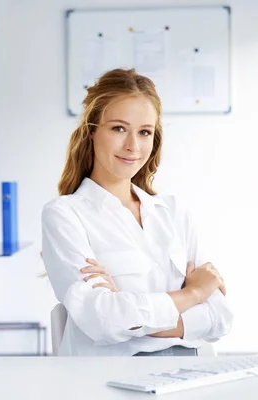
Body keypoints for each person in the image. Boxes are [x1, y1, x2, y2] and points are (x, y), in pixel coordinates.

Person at [41, 68, 233, 356]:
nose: (132, 146)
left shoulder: (173, 212)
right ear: (92, 131)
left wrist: (131, 315)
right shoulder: (65, 214)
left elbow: (221, 317)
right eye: (118, 128)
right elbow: (102, 321)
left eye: (145, 132)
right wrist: (192, 294)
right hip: (103, 380)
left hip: (187, 372)